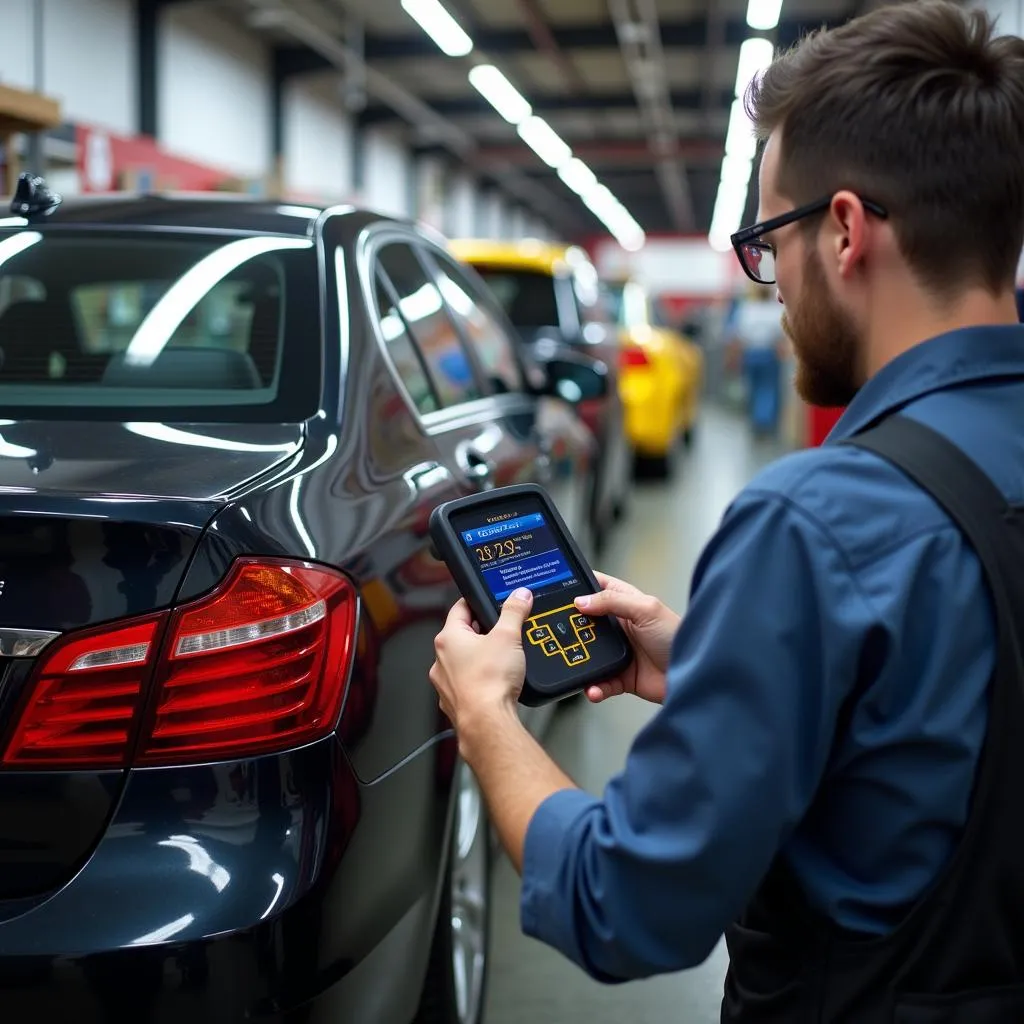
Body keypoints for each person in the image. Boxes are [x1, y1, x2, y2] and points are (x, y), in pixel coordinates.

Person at [429, 2, 1024, 1019]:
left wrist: (486, 719)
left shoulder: (818, 519)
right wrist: (724, 653)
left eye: (766, 241)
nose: (771, 284)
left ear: (843, 230)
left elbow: (626, 902)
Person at [729, 283, 786, 435]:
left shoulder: (746, 309)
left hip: (750, 353)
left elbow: (737, 335)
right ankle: (764, 422)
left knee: (753, 388)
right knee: (768, 389)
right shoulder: (774, 310)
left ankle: (756, 420)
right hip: (768, 354)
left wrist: (735, 357)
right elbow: (780, 336)